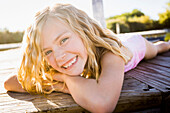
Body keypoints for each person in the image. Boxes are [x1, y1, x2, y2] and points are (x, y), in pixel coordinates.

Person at [4, 3, 170, 113]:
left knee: (157, 48)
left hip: (135, 45)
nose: (59, 56)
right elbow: (10, 82)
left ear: (84, 32)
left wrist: (66, 81)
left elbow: (103, 103)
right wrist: (60, 80)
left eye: (63, 40)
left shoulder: (112, 54)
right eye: (47, 51)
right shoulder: (63, 59)